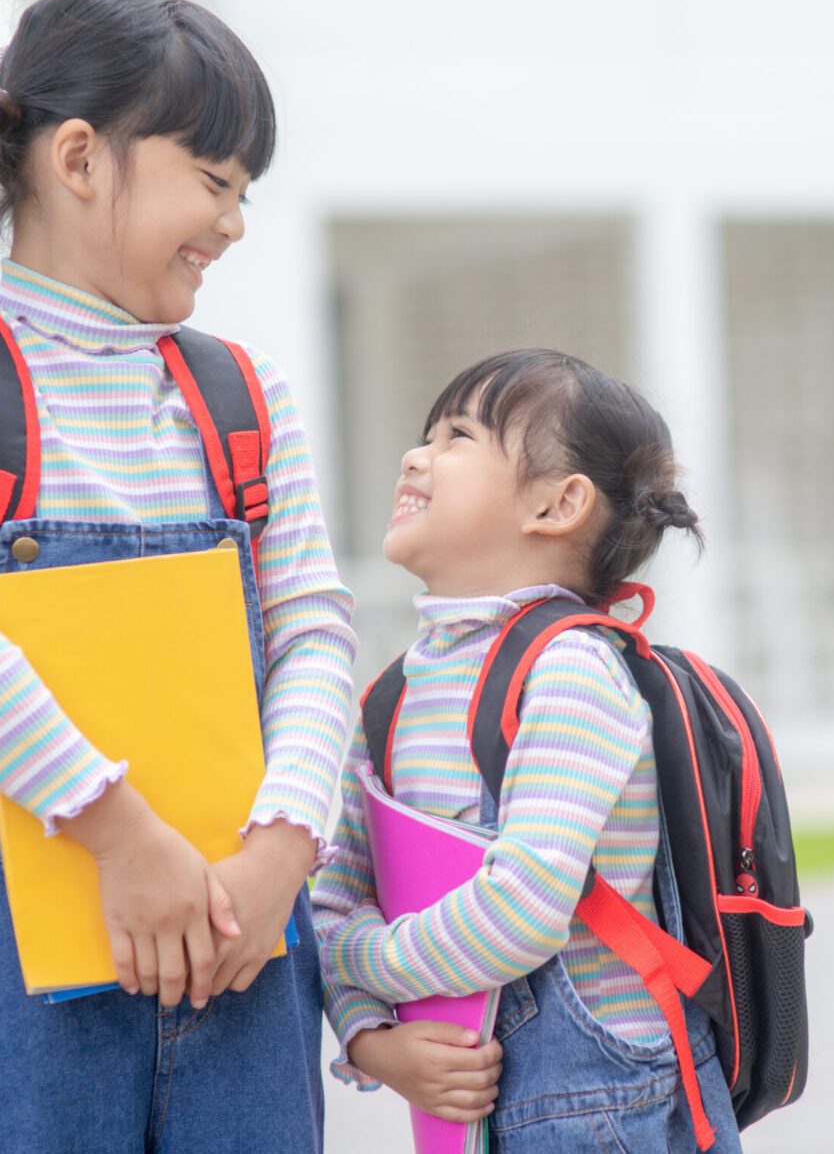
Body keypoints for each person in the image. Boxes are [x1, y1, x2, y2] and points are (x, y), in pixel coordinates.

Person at [0, 0, 352, 1153]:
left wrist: (284, 845)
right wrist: (122, 834)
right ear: (81, 158)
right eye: (216, 181)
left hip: (242, 947)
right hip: (4, 975)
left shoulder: (245, 394)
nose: (234, 221)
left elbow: (315, 632)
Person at [312, 348, 743, 1151]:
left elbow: (523, 907)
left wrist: (369, 962)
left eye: (456, 437)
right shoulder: (394, 691)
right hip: (474, 1111)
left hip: (597, 1105)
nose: (418, 455)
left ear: (557, 503)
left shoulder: (570, 670)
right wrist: (373, 1041)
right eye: (426, 435)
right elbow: (334, 891)